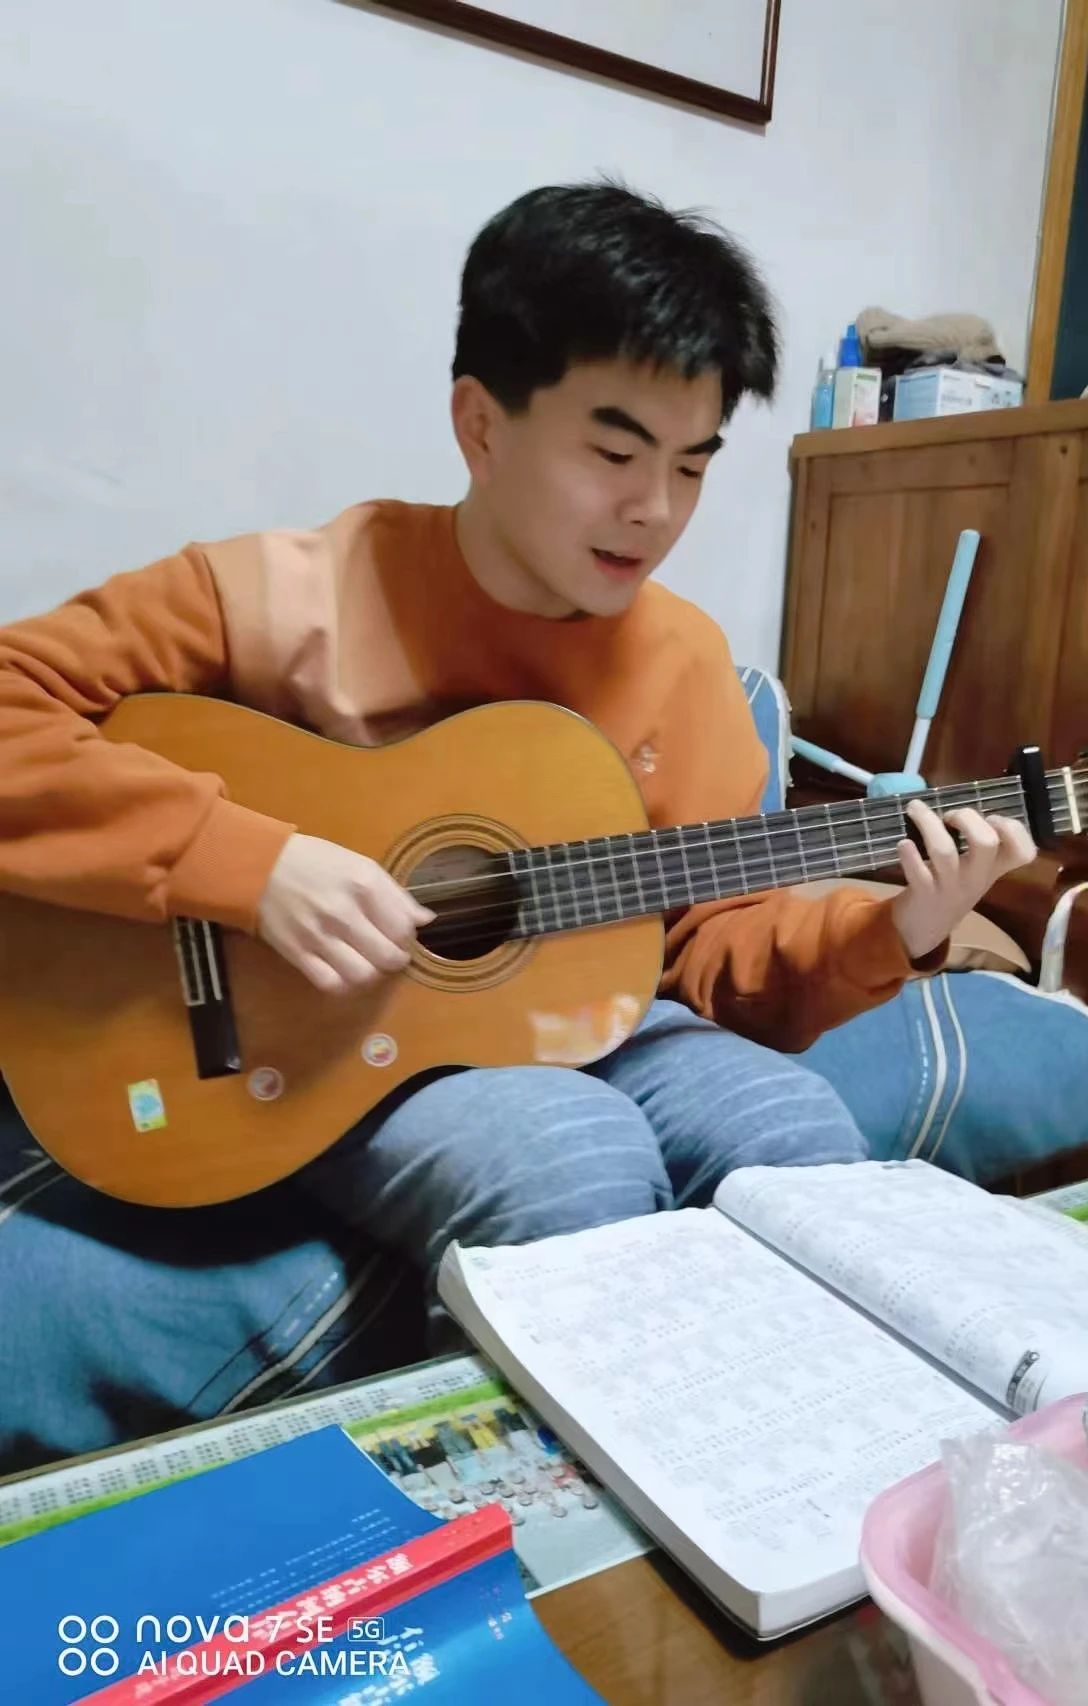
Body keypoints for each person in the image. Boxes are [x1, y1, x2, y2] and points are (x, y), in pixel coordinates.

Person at [0, 182, 1033, 1332]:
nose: (654, 509)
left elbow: (712, 943)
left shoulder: (685, 661)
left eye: (692, 466)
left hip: (599, 1014)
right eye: (614, 451)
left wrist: (895, 927)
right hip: (329, 1038)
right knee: (569, 1160)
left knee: (801, 1139)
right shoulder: (293, 593)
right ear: (481, 426)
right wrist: (248, 862)